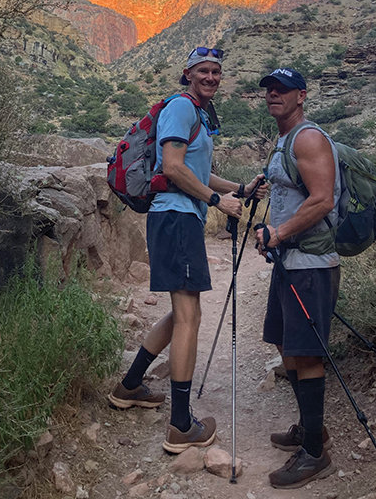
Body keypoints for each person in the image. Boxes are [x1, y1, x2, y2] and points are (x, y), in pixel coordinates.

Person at [108, 46, 266, 454]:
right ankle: (180, 425)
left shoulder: (196, 113)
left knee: (183, 313)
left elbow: (195, 170)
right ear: (188, 74)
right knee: (189, 317)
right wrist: (217, 204)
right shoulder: (181, 108)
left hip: (176, 218)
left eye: (216, 71)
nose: (211, 77)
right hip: (177, 218)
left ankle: (129, 387)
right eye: (204, 71)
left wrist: (238, 190)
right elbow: (173, 167)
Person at [254, 67, 341, 489]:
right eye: (269, 89)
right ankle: (311, 430)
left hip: (310, 264)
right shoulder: (285, 140)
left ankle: (314, 454)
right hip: (289, 261)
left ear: (301, 95)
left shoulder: (308, 138)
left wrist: (279, 232)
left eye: (283, 90)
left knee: (306, 354)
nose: (274, 95)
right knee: (284, 341)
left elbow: (323, 199)